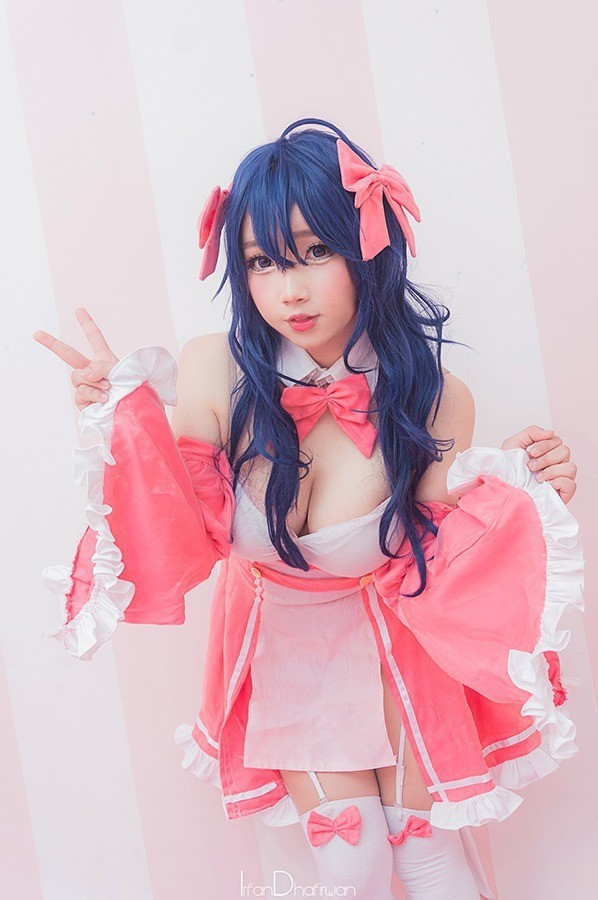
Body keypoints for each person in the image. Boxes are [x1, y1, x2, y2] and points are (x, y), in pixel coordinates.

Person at [34, 117, 583, 899]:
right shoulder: (215, 368)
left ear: (367, 249)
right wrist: (122, 418)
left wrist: (526, 489)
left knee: (425, 852)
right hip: (286, 641)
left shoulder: (434, 397)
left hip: (397, 642)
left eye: (315, 251)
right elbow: (183, 528)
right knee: (353, 861)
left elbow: (438, 554)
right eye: (262, 262)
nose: (288, 290)